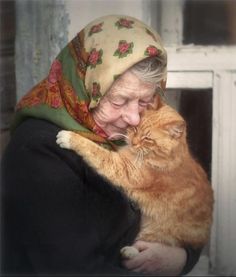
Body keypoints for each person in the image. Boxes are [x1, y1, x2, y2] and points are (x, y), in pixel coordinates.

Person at [1, 15, 202, 276]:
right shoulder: (39, 153)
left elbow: (186, 206)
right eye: (119, 101)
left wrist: (180, 258)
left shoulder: (129, 133)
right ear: (85, 85)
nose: (133, 118)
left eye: (144, 101)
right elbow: (72, 270)